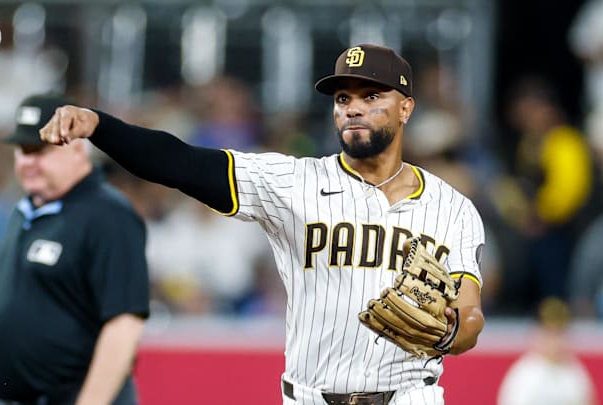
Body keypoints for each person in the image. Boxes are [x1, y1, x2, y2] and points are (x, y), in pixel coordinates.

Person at [40, 44, 486, 405]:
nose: (353, 108)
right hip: (310, 397)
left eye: (371, 96)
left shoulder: (453, 208)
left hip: (410, 396)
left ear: (406, 108)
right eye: (343, 98)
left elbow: (470, 314)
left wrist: (451, 330)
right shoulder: (293, 182)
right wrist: (100, 126)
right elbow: (181, 163)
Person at [0, 94, 150, 405]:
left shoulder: (108, 215)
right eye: (21, 150)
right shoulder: (25, 210)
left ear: (78, 148)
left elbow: (124, 324)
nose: (28, 161)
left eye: (39, 150)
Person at [497, 298, 597, 405]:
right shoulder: (523, 375)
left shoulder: (576, 374)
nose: (556, 342)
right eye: (550, 333)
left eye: (560, 333)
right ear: (537, 334)